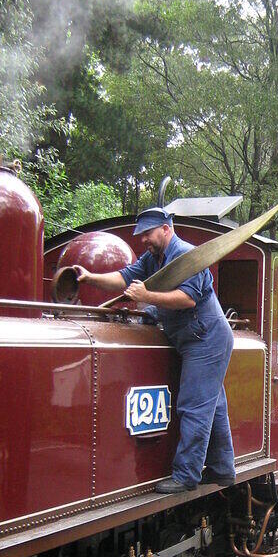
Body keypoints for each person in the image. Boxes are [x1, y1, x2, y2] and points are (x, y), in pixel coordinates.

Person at [75, 207, 235, 494]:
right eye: (141, 235)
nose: (143, 240)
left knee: (193, 406)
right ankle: (222, 469)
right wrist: (90, 277)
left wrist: (146, 297)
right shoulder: (153, 259)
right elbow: (124, 279)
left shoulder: (188, 256)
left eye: (147, 234)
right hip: (191, 338)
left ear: (165, 228)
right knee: (213, 405)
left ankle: (186, 475)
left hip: (206, 339)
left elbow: (187, 299)